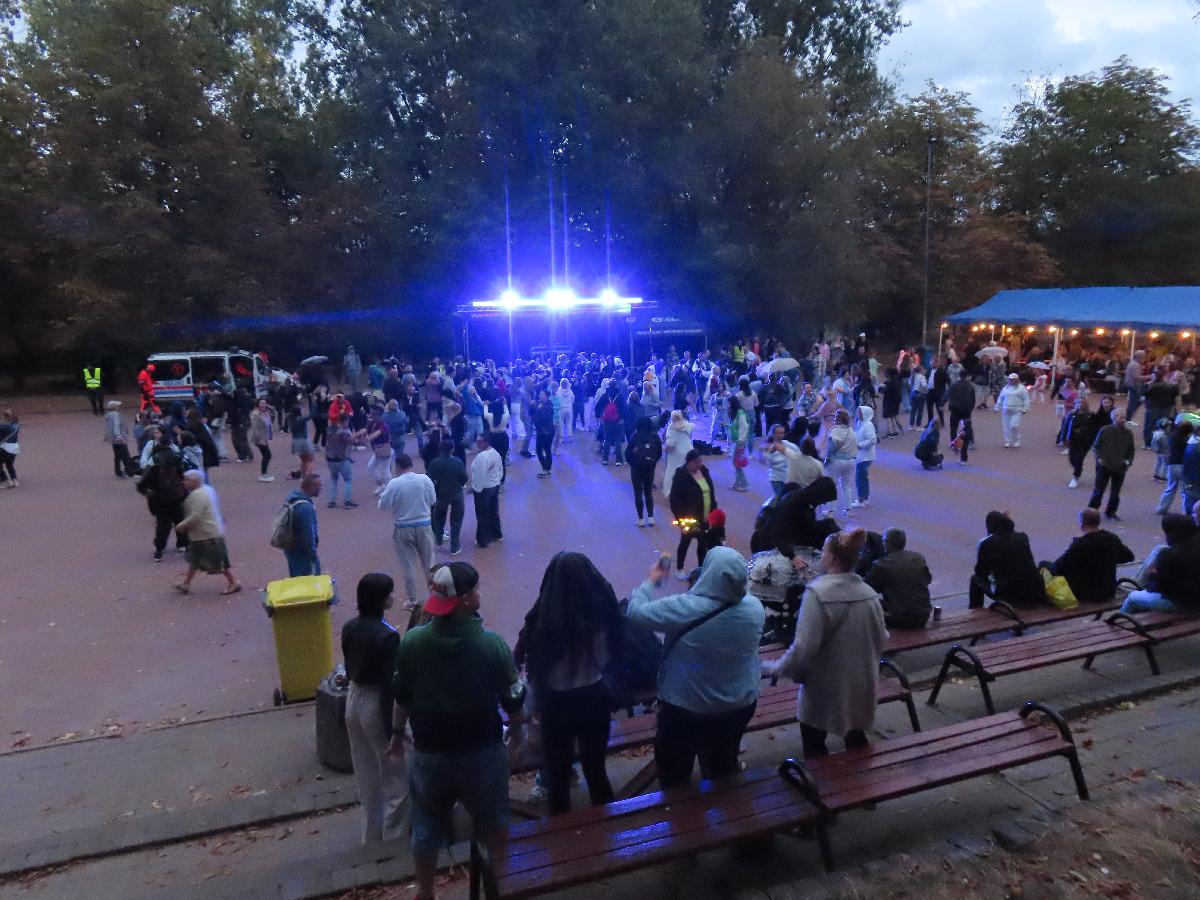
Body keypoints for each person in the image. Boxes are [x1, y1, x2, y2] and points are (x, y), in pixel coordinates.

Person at [387, 562, 526, 900]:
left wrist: (396, 733)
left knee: (426, 824)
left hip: (430, 752)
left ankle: (425, 891)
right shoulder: (491, 645)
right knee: (493, 823)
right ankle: (498, 888)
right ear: (464, 600)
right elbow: (513, 699)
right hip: (482, 751)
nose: (479, 593)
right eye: (475, 589)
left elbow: (402, 696)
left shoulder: (413, 643)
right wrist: (518, 733)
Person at [627, 547, 765, 787]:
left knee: (675, 773)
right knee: (723, 768)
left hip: (686, 707)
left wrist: (652, 581)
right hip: (738, 705)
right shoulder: (754, 608)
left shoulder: (686, 608)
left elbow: (636, 613)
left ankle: (680, 808)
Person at [763, 529, 887, 757]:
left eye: (823, 552)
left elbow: (803, 648)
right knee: (856, 740)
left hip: (824, 689)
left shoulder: (817, 595)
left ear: (831, 558)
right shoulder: (868, 593)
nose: (821, 556)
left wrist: (777, 668)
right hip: (860, 685)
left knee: (814, 746)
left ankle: (819, 779)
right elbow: (882, 637)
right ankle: (861, 777)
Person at [517, 553, 623, 814]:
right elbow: (604, 659)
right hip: (593, 698)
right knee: (596, 769)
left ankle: (561, 828)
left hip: (556, 704)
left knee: (558, 775)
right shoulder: (596, 618)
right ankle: (608, 828)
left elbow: (532, 668)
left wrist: (534, 705)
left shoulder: (540, 621)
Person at [341, 573, 404, 843]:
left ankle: (371, 834)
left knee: (365, 772)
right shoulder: (388, 636)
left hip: (354, 698)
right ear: (381, 599)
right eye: (390, 592)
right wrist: (395, 730)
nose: (393, 597)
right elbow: (390, 685)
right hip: (376, 702)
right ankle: (393, 837)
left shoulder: (349, 627)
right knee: (395, 776)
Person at [378, 453, 436, 610]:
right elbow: (432, 500)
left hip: (403, 527)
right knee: (429, 563)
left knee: (408, 565)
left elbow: (382, 505)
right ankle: (435, 596)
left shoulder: (394, 483)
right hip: (424, 525)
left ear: (398, 466)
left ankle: (413, 599)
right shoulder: (425, 479)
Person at [174, 470, 241, 595]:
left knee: (218, 560)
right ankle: (186, 583)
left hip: (206, 533)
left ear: (194, 482)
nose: (184, 482)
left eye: (186, 480)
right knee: (195, 559)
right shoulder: (207, 490)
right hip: (207, 532)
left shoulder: (198, 495)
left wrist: (182, 525)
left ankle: (233, 581)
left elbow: (196, 516)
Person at [1046, 508, 1134, 604]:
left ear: (1082, 523)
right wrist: (1108, 557)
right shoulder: (1111, 539)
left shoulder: (1081, 544)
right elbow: (1129, 556)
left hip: (1086, 593)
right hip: (1108, 590)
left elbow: (1060, 567)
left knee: (1045, 566)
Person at [1121, 514, 1200, 613]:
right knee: (1159, 548)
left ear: (1172, 534)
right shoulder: (1192, 546)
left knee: (1132, 598)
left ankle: (1118, 621)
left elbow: (1159, 587)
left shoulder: (1169, 555)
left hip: (1183, 604)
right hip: (1194, 596)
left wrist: (1153, 574)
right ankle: (1138, 582)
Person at [969, 510, 1045, 608]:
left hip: (1011, 597)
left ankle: (975, 611)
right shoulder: (1023, 537)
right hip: (1036, 592)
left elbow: (981, 572)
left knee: (975, 580)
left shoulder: (987, 544)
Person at [863, 528, 932, 628]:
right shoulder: (918, 558)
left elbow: (866, 588)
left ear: (887, 543)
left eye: (883, 541)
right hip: (923, 616)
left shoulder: (882, 564)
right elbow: (927, 580)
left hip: (900, 618)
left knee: (864, 601)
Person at [669, 449, 718, 579]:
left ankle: (701, 568)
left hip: (705, 516)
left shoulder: (704, 471)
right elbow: (674, 500)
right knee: (685, 541)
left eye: (700, 461)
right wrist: (681, 520)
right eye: (696, 462)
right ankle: (679, 569)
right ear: (689, 462)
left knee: (703, 543)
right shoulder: (681, 476)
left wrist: (714, 512)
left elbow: (711, 493)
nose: (699, 464)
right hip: (689, 518)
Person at [140, 434, 189, 561]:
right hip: (178, 495)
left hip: (160, 498)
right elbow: (186, 472)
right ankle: (182, 544)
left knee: (163, 525)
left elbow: (144, 479)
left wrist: (147, 491)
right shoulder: (177, 457)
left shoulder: (154, 459)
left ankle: (159, 549)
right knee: (180, 520)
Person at [1088, 409, 1135, 521]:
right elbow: (1096, 446)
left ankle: (1111, 512)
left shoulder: (1128, 433)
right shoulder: (1105, 430)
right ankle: (1092, 510)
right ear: (1113, 418)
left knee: (1116, 491)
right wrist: (1099, 459)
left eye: (1124, 417)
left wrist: (1128, 462)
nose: (1123, 420)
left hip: (1120, 467)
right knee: (1099, 490)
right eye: (1120, 417)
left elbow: (1131, 450)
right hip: (1104, 465)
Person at [426, 440, 467, 555]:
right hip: (457, 492)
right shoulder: (458, 461)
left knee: (438, 516)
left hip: (441, 493)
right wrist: (459, 484)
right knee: (456, 520)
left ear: (441, 449)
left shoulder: (434, 463)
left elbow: (429, 479)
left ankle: (439, 538)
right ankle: (455, 546)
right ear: (452, 449)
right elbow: (464, 477)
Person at [281, 472, 322, 576]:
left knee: (296, 578)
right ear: (311, 487)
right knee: (310, 580)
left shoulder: (292, 498)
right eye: (318, 486)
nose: (320, 489)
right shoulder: (306, 508)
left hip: (290, 547)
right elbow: (307, 535)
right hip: (302, 552)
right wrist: (312, 554)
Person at [626, 416, 663, 527]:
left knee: (638, 493)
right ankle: (651, 517)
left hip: (637, 468)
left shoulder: (635, 436)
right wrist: (653, 463)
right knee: (648, 493)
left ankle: (640, 519)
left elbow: (627, 454)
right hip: (649, 468)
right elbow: (659, 453)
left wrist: (633, 463)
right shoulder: (655, 437)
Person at [469, 433, 504, 548]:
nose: (477, 443)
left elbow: (480, 474)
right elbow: (500, 469)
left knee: (482, 514)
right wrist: (497, 481)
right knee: (493, 511)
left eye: (479, 441)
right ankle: (497, 534)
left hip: (484, 489)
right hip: (494, 486)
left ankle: (483, 540)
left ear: (486, 442)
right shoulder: (495, 453)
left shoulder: (482, 456)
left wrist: (475, 488)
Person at [824, 408, 858, 515]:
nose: (834, 419)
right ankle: (848, 510)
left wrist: (826, 460)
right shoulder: (851, 430)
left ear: (839, 419)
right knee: (847, 486)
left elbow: (831, 449)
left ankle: (831, 511)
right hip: (851, 462)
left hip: (836, 461)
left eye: (836, 417)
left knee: (831, 486)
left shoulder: (834, 431)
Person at [1156, 421, 1194, 514]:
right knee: (1185, 491)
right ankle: (1185, 511)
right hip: (1182, 466)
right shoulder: (1186, 441)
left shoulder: (1173, 437)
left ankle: (1162, 508)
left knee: (1170, 488)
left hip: (1172, 465)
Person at [324, 415, 358, 509]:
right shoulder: (343, 432)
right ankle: (347, 501)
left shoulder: (330, 430)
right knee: (348, 479)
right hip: (341, 459)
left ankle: (332, 501)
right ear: (345, 421)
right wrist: (357, 433)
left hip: (330, 459)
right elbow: (352, 440)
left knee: (333, 479)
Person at [1064, 397, 1094, 488]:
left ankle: (1075, 477)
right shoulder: (1072, 414)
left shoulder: (1091, 415)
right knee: (1072, 459)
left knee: (1079, 459)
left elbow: (1093, 428)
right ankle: (1079, 468)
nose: (1080, 404)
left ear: (1086, 404)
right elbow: (1066, 426)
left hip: (1085, 442)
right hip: (1073, 440)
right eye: (1078, 402)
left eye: (1082, 402)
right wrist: (1063, 437)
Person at [104, 400, 139, 478]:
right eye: (117, 406)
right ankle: (130, 472)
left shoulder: (108, 415)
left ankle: (118, 471)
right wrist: (118, 436)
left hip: (113, 439)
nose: (118, 407)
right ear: (114, 407)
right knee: (125, 455)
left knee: (117, 456)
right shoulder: (116, 415)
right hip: (119, 438)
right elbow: (116, 425)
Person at [662, 410, 694, 492]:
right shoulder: (688, 425)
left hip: (676, 453)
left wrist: (665, 447)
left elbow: (669, 444)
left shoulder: (670, 428)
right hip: (688, 451)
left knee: (674, 471)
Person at [852, 406, 876, 509]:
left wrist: (860, 445)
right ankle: (865, 498)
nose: (858, 414)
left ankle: (861, 499)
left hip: (865, 456)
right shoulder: (861, 423)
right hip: (862, 455)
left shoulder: (868, 425)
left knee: (860, 478)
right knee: (863, 477)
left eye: (860, 413)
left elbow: (872, 440)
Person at [997, 373, 1030, 448]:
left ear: (1017, 379)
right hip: (1006, 409)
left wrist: (1025, 408)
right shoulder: (1006, 388)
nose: (1011, 381)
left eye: (1013, 379)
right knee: (1006, 426)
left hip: (1017, 410)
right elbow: (1001, 398)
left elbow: (1026, 399)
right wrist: (997, 407)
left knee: (1014, 425)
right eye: (1010, 379)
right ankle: (1007, 441)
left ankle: (1016, 439)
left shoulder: (1021, 388)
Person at [728, 394, 751, 491]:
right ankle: (738, 482)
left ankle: (744, 484)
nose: (728, 406)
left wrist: (741, 442)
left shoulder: (740, 413)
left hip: (740, 442)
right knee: (735, 462)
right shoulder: (737, 413)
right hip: (739, 441)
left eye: (729, 404)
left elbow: (744, 427)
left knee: (737, 463)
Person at [531, 389, 556, 477]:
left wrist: (538, 409)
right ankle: (547, 469)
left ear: (547, 396)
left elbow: (543, 418)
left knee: (539, 450)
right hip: (546, 431)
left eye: (542, 394)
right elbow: (532, 415)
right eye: (540, 394)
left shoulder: (548, 406)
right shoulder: (540, 404)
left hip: (544, 432)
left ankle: (546, 469)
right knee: (547, 449)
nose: (540, 396)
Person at [0, 409, 20, 488]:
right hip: (15, 448)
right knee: (9, 464)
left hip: (5, 448)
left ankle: (6, 481)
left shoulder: (3, 426)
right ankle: (14, 480)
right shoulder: (16, 426)